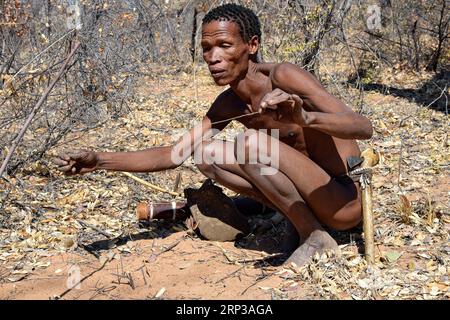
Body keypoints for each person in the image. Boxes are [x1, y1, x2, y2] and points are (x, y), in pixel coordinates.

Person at [54, 4, 373, 266]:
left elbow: (363, 126)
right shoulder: (229, 103)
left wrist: (305, 117)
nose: (213, 57)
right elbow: (173, 154)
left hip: (344, 201)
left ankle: (316, 239)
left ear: (252, 46)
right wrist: (100, 161)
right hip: (311, 199)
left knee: (249, 143)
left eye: (224, 45)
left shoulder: (283, 76)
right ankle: (303, 224)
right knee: (206, 153)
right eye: (207, 48)